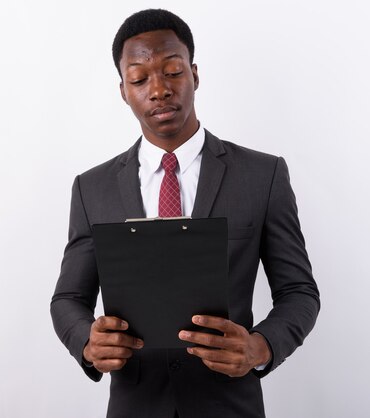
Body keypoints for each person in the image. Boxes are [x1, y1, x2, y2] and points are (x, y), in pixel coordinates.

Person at [50, 9, 320, 418]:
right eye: (140, 79)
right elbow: (69, 297)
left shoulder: (263, 175)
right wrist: (87, 341)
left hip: (230, 404)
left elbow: (299, 291)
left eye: (173, 71)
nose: (158, 89)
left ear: (195, 74)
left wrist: (260, 347)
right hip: (135, 406)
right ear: (123, 90)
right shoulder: (92, 188)